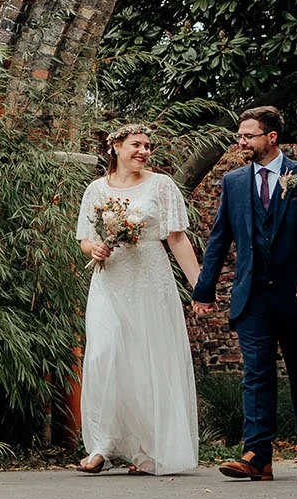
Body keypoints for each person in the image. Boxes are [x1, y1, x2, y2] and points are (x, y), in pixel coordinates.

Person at [192, 105, 297, 481]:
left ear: (271, 138)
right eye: (239, 136)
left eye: (247, 136)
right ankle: (258, 454)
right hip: (253, 294)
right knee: (256, 373)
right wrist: (204, 290)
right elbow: (219, 239)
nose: (240, 142)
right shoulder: (234, 182)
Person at [73, 123, 202, 475]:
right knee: (104, 356)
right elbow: (85, 237)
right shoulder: (95, 189)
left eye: (147, 146)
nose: (143, 151)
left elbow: (176, 238)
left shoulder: (162, 186)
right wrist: (94, 247)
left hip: (149, 279)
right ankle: (102, 445)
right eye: (136, 144)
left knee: (147, 363)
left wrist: (199, 286)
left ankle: (147, 451)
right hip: (110, 281)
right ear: (115, 146)